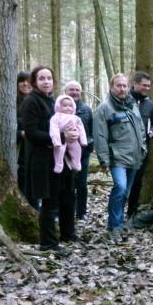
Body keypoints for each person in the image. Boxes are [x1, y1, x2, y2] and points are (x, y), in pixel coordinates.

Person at [22, 66, 80, 255]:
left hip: (62, 158)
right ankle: (48, 243)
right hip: (42, 160)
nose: (46, 81)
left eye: (49, 78)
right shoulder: (31, 102)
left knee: (67, 196)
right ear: (34, 82)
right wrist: (61, 138)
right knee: (50, 201)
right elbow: (31, 133)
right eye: (41, 78)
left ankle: (68, 233)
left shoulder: (53, 101)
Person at [93, 73, 147, 242]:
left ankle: (116, 223)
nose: (122, 89)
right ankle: (114, 226)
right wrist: (104, 161)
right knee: (120, 188)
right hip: (117, 158)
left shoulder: (132, 105)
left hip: (134, 157)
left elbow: (141, 129)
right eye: (119, 85)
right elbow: (100, 136)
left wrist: (143, 148)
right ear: (112, 87)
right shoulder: (104, 109)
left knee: (125, 193)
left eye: (124, 85)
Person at [126, 71, 153, 219]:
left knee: (137, 182)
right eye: (144, 85)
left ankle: (131, 213)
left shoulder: (150, 104)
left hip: (142, 149)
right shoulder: (125, 100)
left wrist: (152, 131)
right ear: (135, 83)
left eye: (149, 86)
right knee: (122, 184)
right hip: (124, 149)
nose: (147, 88)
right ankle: (117, 215)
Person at [64, 80, 93, 221]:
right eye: (71, 90)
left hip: (83, 153)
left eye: (77, 90)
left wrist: (89, 144)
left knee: (81, 183)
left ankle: (81, 212)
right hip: (63, 154)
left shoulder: (86, 109)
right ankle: (63, 212)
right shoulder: (58, 109)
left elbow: (92, 130)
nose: (74, 92)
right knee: (65, 184)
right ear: (66, 92)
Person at [50, 95, 88, 173]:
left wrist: (83, 141)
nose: (68, 107)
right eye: (64, 106)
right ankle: (58, 165)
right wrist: (56, 141)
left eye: (70, 106)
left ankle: (76, 164)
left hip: (73, 139)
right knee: (59, 151)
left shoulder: (76, 118)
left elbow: (81, 129)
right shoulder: (56, 117)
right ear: (58, 106)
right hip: (61, 139)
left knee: (77, 150)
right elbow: (54, 129)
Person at [16, 71, 35, 208]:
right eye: (22, 81)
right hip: (19, 149)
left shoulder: (37, 101)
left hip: (35, 147)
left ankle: (35, 208)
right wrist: (20, 133)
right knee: (22, 177)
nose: (25, 84)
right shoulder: (11, 102)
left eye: (28, 81)